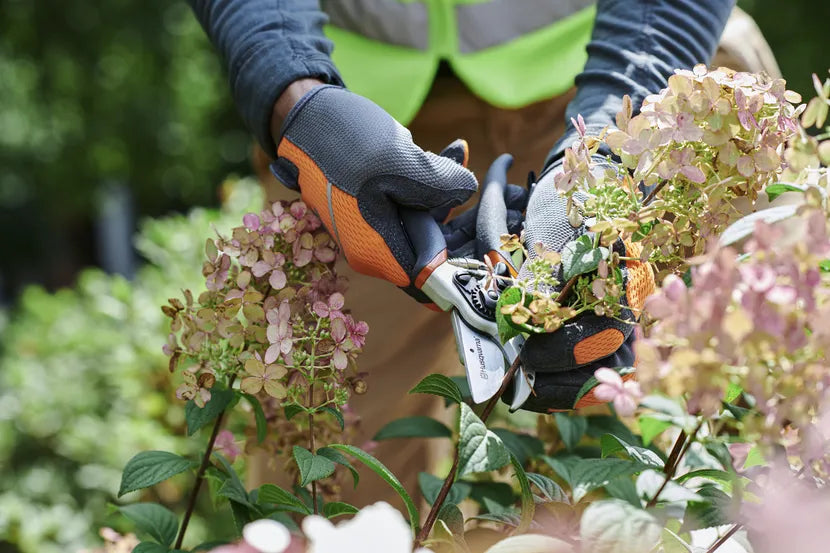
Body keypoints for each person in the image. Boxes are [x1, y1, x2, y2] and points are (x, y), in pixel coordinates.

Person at [188, 0, 779, 505]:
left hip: (631, 72)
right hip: (354, 111)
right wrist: (295, 94)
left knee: (700, 467)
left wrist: (607, 149)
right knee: (328, 491)